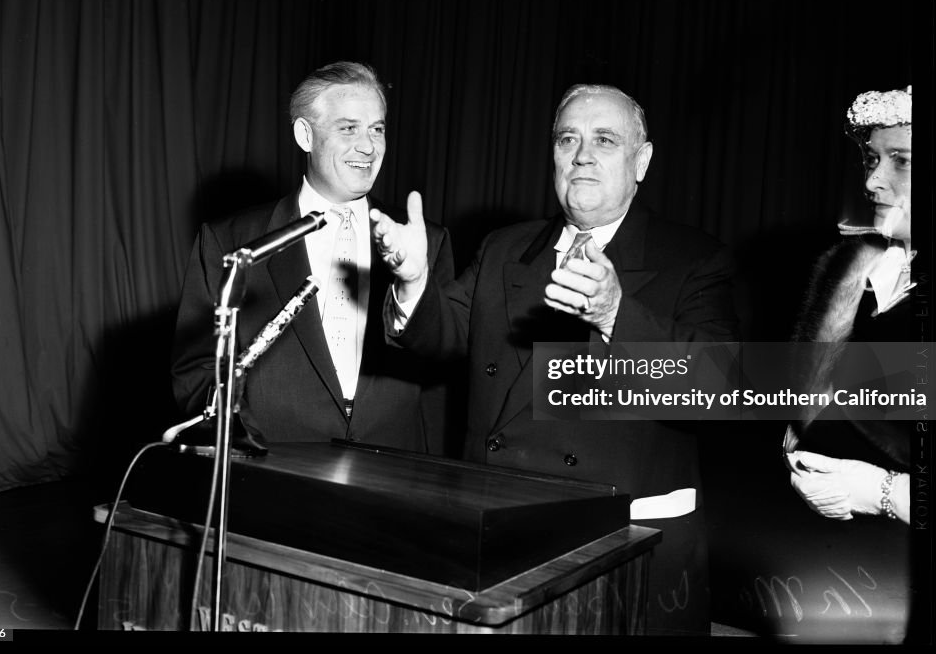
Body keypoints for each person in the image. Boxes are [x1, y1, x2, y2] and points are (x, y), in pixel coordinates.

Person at [370, 83, 739, 635]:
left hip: (622, 558)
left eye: (605, 140)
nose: (582, 154)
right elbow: (441, 334)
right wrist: (415, 283)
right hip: (500, 546)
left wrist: (616, 315)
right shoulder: (504, 248)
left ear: (643, 161)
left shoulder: (694, 259)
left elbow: (720, 391)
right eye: (568, 139)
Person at [171, 61, 455, 453]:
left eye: (377, 129)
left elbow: (442, 377)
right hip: (272, 464)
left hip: (396, 470)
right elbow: (198, 368)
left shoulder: (427, 243)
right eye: (348, 128)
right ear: (305, 135)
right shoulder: (232, 240)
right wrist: (241, 439)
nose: (369, 146)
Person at [783, 86, 914, 524]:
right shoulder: (851, 269)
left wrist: (887, 492)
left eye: (901, 161)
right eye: (873, 159)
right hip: (825, 558)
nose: (872, 181)